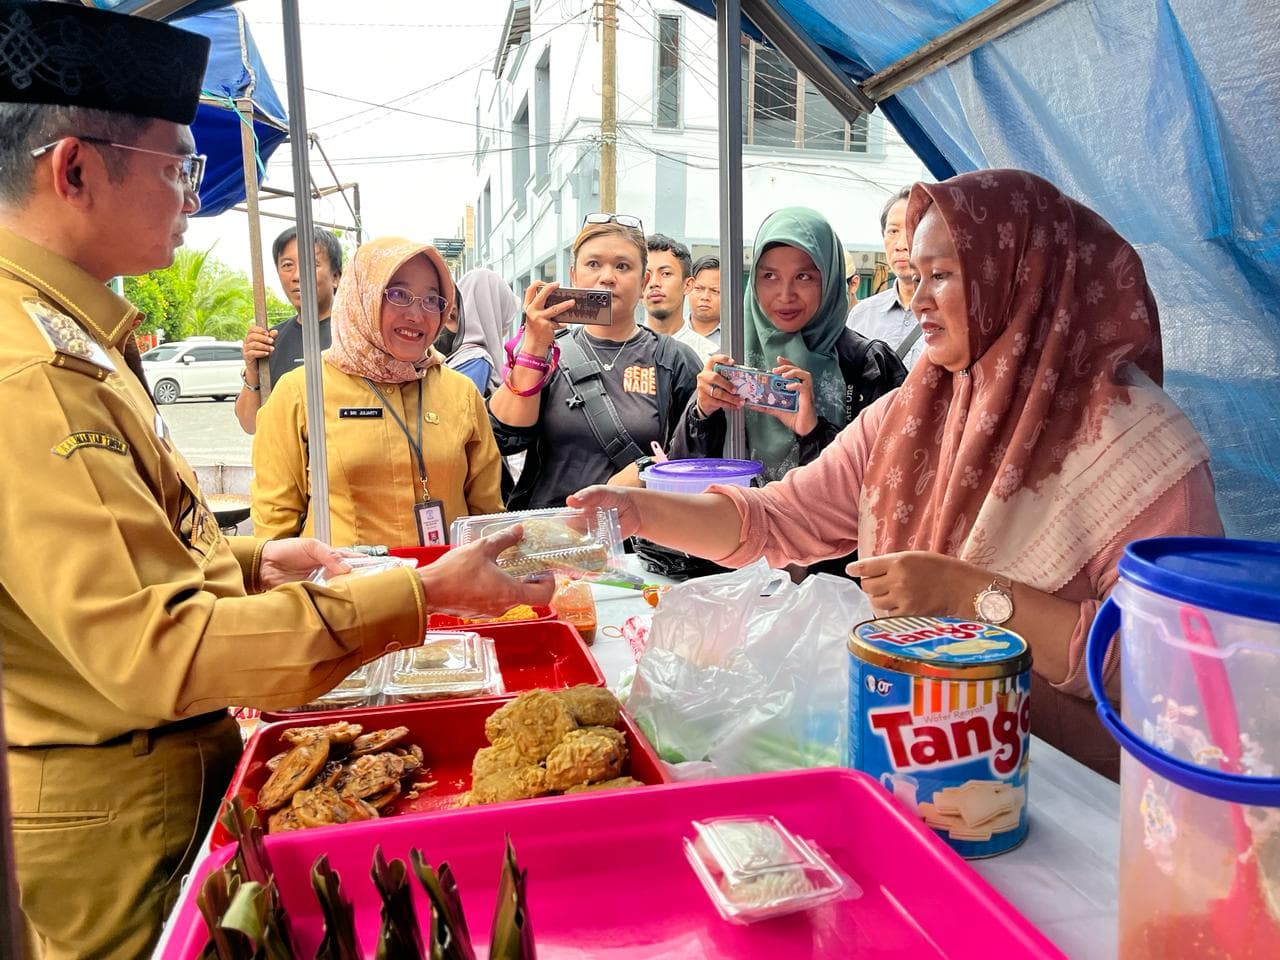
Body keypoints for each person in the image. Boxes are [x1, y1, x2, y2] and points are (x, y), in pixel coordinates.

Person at [0, 8, 551, 956]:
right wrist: (419, 593)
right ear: (76, 169)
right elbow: (154, 650)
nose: (188, 192)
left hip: (162, 780)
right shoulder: (31, 366)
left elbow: (127, 546)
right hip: (119, 815)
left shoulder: (76, 337)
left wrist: (249, 558)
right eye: (176, 165)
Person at [572, 170, 1223, 779]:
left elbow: (1171, 675)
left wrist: (968, 598)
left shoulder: (1139, 448)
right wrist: (637, 512)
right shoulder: (914, 415)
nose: (916, 301)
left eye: (942, 276)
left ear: (1020, 279)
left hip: (1075, 799)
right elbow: (779, 519)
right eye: (913, 276)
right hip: (919, 757)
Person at [252, 237, 504, 546]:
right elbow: (274, 532)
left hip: (448, 587)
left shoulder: (460, 392)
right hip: (345, 590)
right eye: (398, 294)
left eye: (432, 299)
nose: (417, 314)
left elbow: (486, 517)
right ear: (363, 297)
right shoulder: (302, 392)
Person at [672, 207, 905, 482]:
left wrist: (812, 430)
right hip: (740, 523)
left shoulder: (869, 366)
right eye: (769, 276)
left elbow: (893, 480)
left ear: (829, 279)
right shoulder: (732, 359)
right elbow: (682, 473)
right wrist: (701, 413)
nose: (785, 295)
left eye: (804, 277)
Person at [489, 214, 702, 509]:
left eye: (623, 266)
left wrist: (646, 470)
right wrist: (534, 347)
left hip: (639, 542)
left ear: (644, 282)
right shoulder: (549, 352)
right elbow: (505, 439)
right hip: (554, 536)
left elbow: (697, 457)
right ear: (574, 275)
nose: (607, 276)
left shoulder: (673, 359)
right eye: (593, 264)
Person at [235, 225, 343, 433]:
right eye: (287, 265)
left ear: (336, 276)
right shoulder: (270, 341)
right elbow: (250, 425)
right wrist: (252, 370)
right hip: (289, 463)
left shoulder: (357, 335)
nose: (297, 275)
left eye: (311, 264)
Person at [848, 187, 925, 367]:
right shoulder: (861, 316)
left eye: (913, 230)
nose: (901, 245)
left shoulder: (954, 316)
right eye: (893, 231)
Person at [643, 233, 717, 360]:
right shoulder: (619, 350)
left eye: (665, 273)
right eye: (647, 274)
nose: (654, 282)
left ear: (688, 285)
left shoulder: (708, 356)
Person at [447, 267, 519, 395]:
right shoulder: (476, 363)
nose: (505, 328)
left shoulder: (450, 354)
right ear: (494, 313)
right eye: (504, 318)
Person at [685, 254, 723, 356]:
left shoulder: (735, 339)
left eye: (715, 291)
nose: (705, 297)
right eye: (698, 288)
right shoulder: (674, 332)